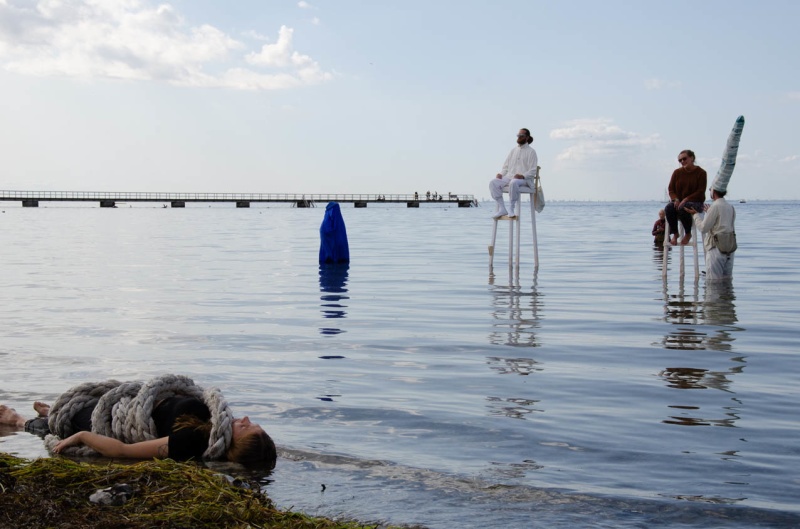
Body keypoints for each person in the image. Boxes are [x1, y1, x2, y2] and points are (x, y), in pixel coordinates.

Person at [0, 396, 277, 468]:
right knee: (70, 408)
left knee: (66, 422)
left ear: (233, 445)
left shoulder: (190, 442)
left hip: (105, 422)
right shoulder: (214, 422)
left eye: (246, 427)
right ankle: (53, 412)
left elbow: (124, 452)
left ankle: (18, 421)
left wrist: (81, 438)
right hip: (125, 407)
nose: (244, 418)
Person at [685, 186, 736, 281]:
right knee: (727, 282)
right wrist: (709, 212)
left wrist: (695, 215)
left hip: (716, 248)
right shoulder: (730, 207)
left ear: (714, 192)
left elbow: (703, 228)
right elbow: (724, 225)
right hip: (730, 249)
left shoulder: (714, 207)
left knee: (713, 283)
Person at [489, 128, 539, 219]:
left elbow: (533, 170)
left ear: (527, 137)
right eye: (518, 135)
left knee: (514, 182)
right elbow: (505, 167)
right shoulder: (513, 150)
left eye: (521, 135)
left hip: (524, 180)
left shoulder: (531, 152)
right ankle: (502, 208)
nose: (519, 137)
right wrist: (501, 174)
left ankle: (511, 208)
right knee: (493, 182)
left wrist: (522, 176)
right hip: (509, 177)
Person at [665, 149, 706, 245]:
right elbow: (671, 189)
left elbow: (700, 191)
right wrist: (676, 199)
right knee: (669, 208)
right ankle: (675, 233)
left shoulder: (701, 173)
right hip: (679, 202)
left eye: (684, 159)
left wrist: (686, 199)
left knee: (683, 207)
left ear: (692, 158)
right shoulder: (676, 173)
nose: (682, 161)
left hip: (696, 202)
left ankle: (688, 233)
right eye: (680, 160)